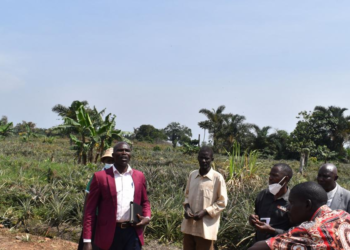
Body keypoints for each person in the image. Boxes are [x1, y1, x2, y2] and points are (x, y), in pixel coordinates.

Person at [83, 142, 151, 250]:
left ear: (130, 155)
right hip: (108, 232)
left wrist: (147, 217)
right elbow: (90, 210)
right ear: (113, 155)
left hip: (132, 233)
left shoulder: (139, 176)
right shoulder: (100, 177)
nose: (124, 153)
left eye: (127, 151)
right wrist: (87, 240)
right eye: (120, 150)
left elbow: (145, 201)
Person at [249, 181, 350, 250]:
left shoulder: (308, 230)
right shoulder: (343, 215)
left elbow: (261, 247)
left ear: (307, 204)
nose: (288, 208)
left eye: (292, 203)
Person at [181, 146, 227, 250]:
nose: (204, 161)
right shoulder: (192, 175)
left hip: (206, 228)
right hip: (189, 226)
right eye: (201, 158)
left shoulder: (217, 178)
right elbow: (187, 196)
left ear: (212, 159)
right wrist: (187, 208)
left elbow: (222, 202)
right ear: (198, 158)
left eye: (207, 158)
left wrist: (205, 212)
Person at [77, 148, 114, 250]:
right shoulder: (97, 176)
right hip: (95, 218)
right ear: (104, 162)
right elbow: (87, 198)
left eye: (112, 160)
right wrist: (85, 217)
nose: (110, 163)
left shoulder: (120, 178)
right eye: (108, 160)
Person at [248, 163, 293, 241]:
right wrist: (253, 220)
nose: (270, 178)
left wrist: (272, 230)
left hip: (279, 245)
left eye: (275, 175)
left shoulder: (293, 201)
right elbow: (257, 215)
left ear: (286, 179)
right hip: (259, 243)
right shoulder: (263, 195)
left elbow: (294, 231)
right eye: (270, 175)